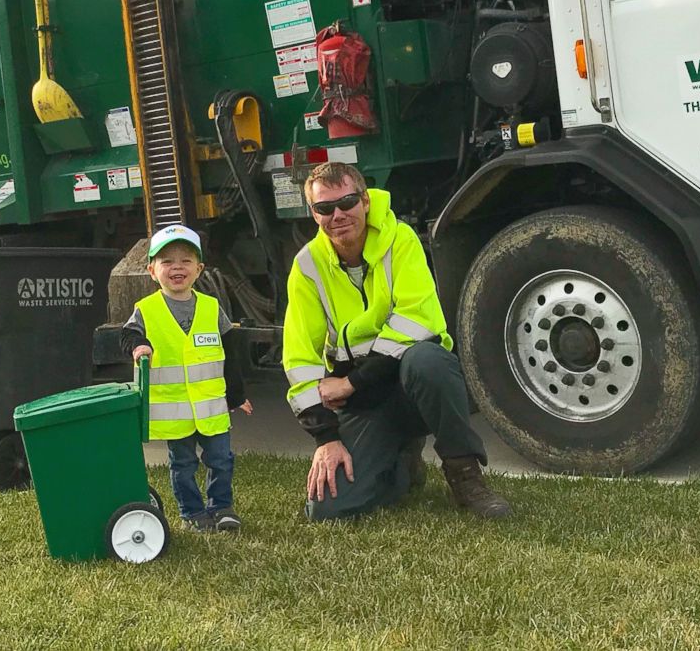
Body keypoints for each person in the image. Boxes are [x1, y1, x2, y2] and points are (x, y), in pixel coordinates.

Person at [282, 162, 511, 521]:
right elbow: (298, 358)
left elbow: (418, 322)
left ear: (366, 201)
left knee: (428, 360)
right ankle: (403, 462)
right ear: (313, 214)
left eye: (347, 203)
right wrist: (325, 438)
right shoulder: (307, 266)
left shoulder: (400, 239)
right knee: (326, 510)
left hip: (410, 385)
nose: (337, 215)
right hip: (363, 402)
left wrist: (351, 382)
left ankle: (465, 478)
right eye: (325, 208)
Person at [122, 223, 252, 532]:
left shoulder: (212, 308)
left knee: (221, 460)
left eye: (185, 261)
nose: (176, 267)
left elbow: (229, 356)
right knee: (183, 465)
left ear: (199, 269)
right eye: (167, 261)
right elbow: (129, 335)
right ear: (152, 270)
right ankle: (192, 512)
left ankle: (221, 508)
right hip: (175, 412)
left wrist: (237, 395)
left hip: (212, 409)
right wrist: (140, 346)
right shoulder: (146, 309)